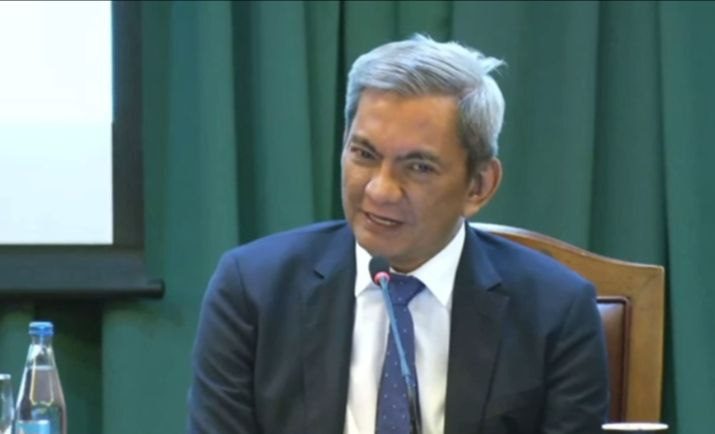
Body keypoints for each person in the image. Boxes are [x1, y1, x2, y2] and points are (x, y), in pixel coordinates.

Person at [188, 35, 608, 434]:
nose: (380, 190)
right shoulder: (254, 291)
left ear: (478, 186)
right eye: (364, 154)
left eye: (419, 167)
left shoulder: (555, 311)